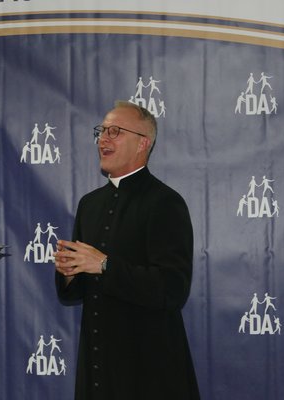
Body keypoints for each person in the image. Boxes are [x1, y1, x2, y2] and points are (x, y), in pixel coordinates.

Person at [54, 101, 200, 399]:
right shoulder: (89, 205)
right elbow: (73, 293)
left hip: (150, 372)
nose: (103, 139)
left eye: (115, 131)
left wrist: (105, 265)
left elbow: (172, 289)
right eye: (102, 131)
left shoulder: (165, 202)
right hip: (98, 369)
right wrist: (69, 272)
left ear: (142, 143)